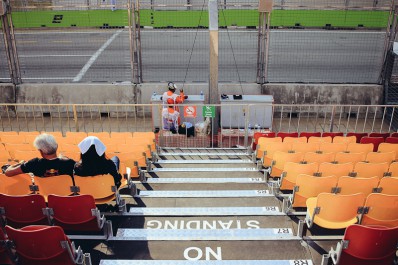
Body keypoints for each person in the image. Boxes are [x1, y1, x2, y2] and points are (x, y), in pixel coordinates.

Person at [4, 133, 75, 177]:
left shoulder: (33, 163)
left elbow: (8, 172)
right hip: (64, 196)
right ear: (56, 146)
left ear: (40, 151)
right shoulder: (69, 163)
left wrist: (20, 163)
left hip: (43, 197)